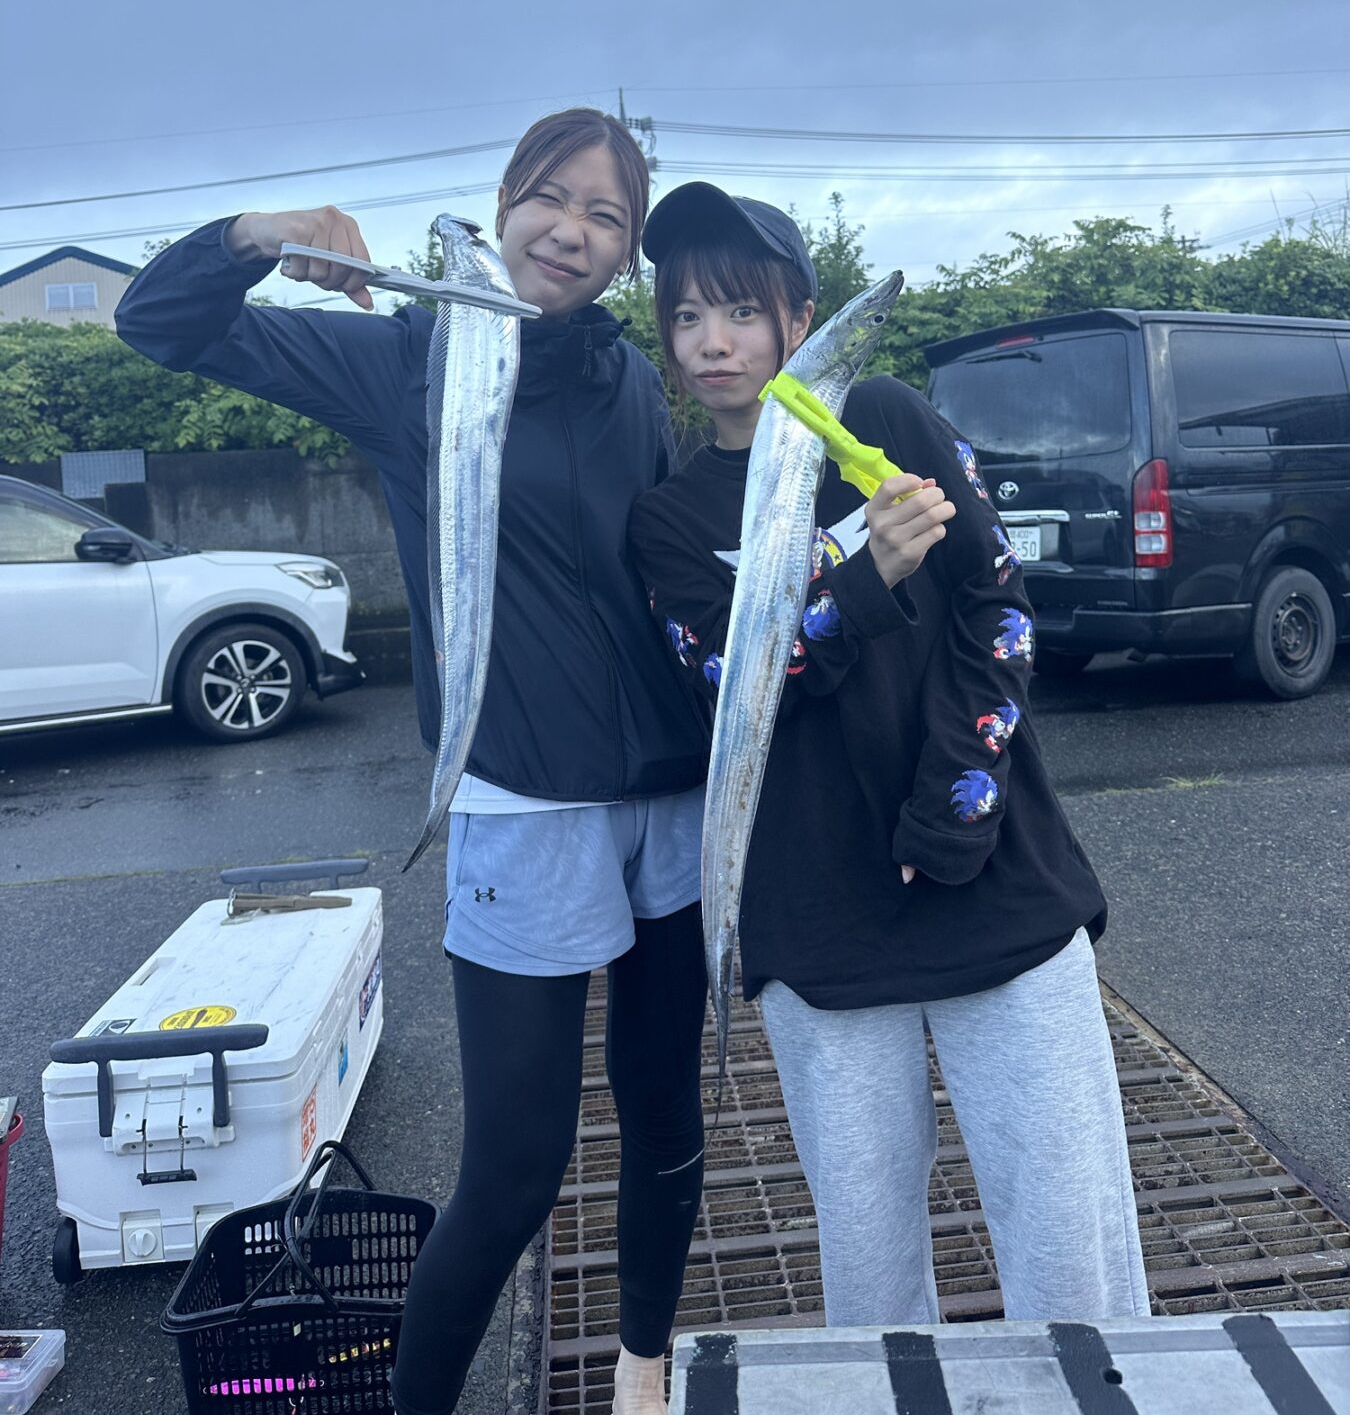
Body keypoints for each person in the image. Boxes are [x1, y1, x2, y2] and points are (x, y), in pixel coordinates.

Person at [115, 110, 710, 1415]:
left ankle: (642, 1371)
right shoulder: (406, 361)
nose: (572, 231)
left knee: (667, 1122)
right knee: (516, 1166)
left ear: (625, 254)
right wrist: (256, 234)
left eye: (606, 216)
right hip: (522, 807)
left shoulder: (631, 382)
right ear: (502, 208)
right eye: (551, 198)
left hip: (670, 804)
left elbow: (669, 573)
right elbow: (158, 324)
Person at [627, 182, 1150, 1328]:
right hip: (818, 919)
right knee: (868, 1276)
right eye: (687, 315)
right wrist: (863, 583)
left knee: (1073, 1245)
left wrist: (958, 805)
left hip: (995, 882)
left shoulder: (886, 421)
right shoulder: (670, 519)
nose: (714, 342)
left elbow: (1000, 612)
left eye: (743, 311)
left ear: (801, 318)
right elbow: (731, 696)